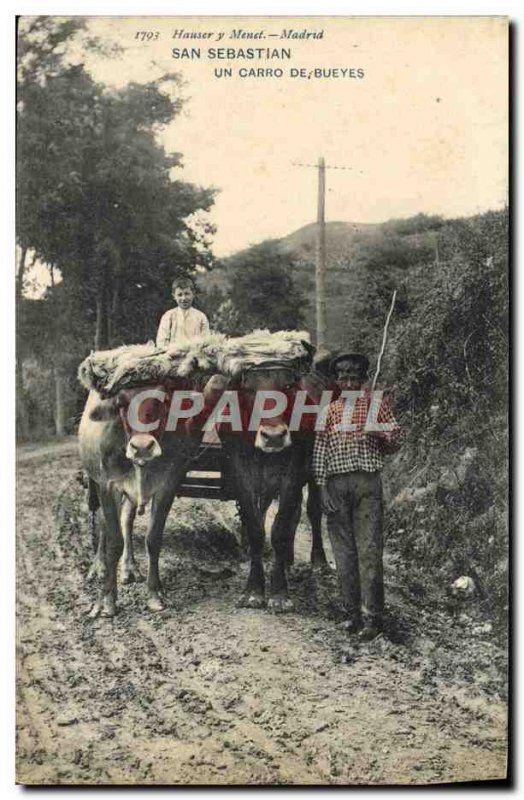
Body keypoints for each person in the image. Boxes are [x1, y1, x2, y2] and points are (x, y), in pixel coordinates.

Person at [312, 350, 402, 641]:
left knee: (369, 551)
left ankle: (372, 617)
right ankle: (350, 614)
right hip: (336, 487)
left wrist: (380, 434)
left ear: (364, 380)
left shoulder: (377, 407)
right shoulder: (329, 412)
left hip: (367, 486)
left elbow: (396, 442)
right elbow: (320, 454)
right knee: (344, 554)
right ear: (337, 381)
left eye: (354, 377)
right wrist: (322, 488)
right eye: (344, 378)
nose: (349, 383)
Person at [156, 276, 210, 348]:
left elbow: (206, 340)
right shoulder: (168, 316)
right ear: (174, 296)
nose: (183, 298)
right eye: (179, 295)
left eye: (187, 294)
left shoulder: (201, 317)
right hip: (172, 355)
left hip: (195, 354)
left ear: (193, 294)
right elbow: (162, 341)